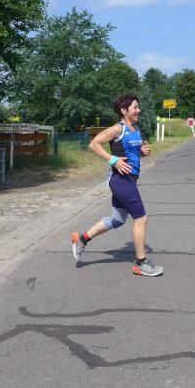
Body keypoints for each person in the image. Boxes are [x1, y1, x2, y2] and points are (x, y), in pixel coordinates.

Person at [70, 94, 163, 277]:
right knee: (141, 219)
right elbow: (94, 144)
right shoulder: (117, 128)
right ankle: (141, 264)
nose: (139, 110)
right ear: (124, 110)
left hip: (129, 179)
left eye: (138, 107)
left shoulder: (135, 129)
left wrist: (142, 152)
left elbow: (130, 152)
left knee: (117, 220)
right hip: (121, 180)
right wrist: (113, 160)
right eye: (135, 107)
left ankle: (82, 239)